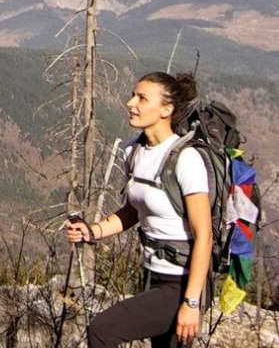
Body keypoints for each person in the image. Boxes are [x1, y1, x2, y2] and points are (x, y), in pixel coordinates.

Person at [65, 71, 212, 348]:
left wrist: (192, 302)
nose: (131, 103)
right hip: (151, 273)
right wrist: (91, 232)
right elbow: (132, 211)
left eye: (142, 98)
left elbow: (204, 235)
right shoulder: (134, 152)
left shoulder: (186, 159)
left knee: (102, 331)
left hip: (181, 283)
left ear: (166, 109)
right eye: (133, 95)